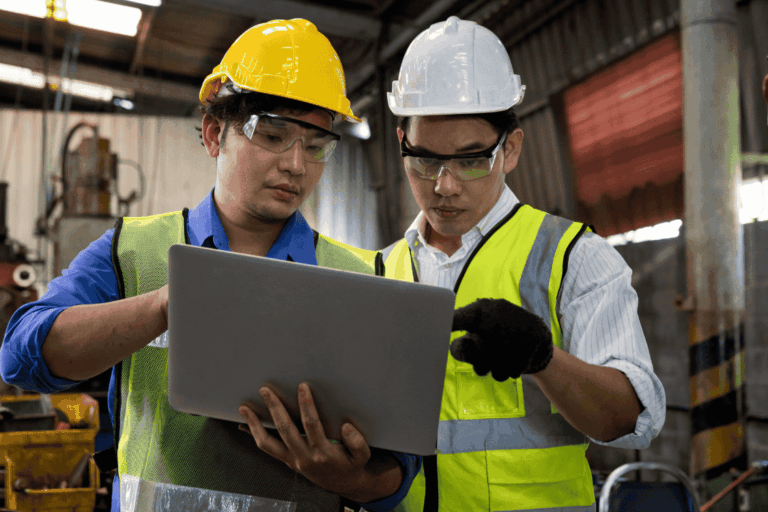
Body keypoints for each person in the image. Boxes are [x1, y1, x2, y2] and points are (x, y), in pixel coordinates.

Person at [0, 19, 420, 512]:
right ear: (214, 132)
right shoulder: (132, 251)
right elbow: (21, 359)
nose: (296, 165)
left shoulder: (358, 276)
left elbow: (400, 467)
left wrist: (356, 480)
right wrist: (161, 305)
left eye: (315, 145)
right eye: (274, 134)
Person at [381, 17, 666, 512]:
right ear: (401, 141)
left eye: (471, 161)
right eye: (424, 161)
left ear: (510, 149)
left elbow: (626, 420)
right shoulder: (384, 268)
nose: (444, 186)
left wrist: (543, 360)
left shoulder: (573, 256)